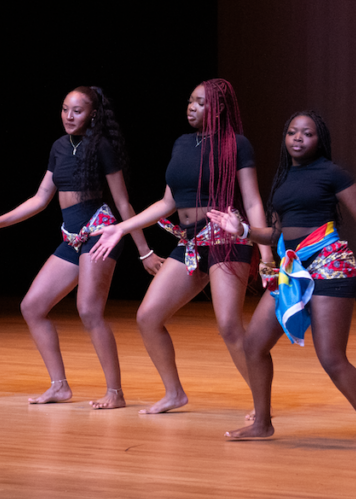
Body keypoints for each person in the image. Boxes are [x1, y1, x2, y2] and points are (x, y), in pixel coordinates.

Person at [208, 110, 356, 451]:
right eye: (292, 132)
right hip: (293, 268)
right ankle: (262, 423)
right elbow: (276, 232)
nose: (298, 138)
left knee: (332, 358)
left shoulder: (332, 174)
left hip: (330, 264)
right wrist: (242, 231)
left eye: (307, 133)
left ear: (320, 140)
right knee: (253, 344)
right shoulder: (283, 179)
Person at [0, 86, 159, 409]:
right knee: (32, 306)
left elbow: (124, 203)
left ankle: (115, 392)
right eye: (65, 109)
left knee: (88, 310)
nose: (69, 116)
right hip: (71, 237)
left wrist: (144, 250)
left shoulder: (102, 147)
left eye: (78, 111)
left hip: (99, 233)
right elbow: (41, 199)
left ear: (93, 114)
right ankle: (59, 386)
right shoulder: (58, 147)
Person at [90, 79, 275, 415]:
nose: (191, 106)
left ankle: (261, 403)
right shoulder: (181, 144)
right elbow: (166, 203)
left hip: (225, 239)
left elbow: (252, 199)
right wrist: (120, 228)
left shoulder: (237, 144)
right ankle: (174, 392)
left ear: (218, 108)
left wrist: (265, 254)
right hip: (190, 241)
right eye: (190, 100)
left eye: (200, 102)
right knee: (148, 316)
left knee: (229, 326)